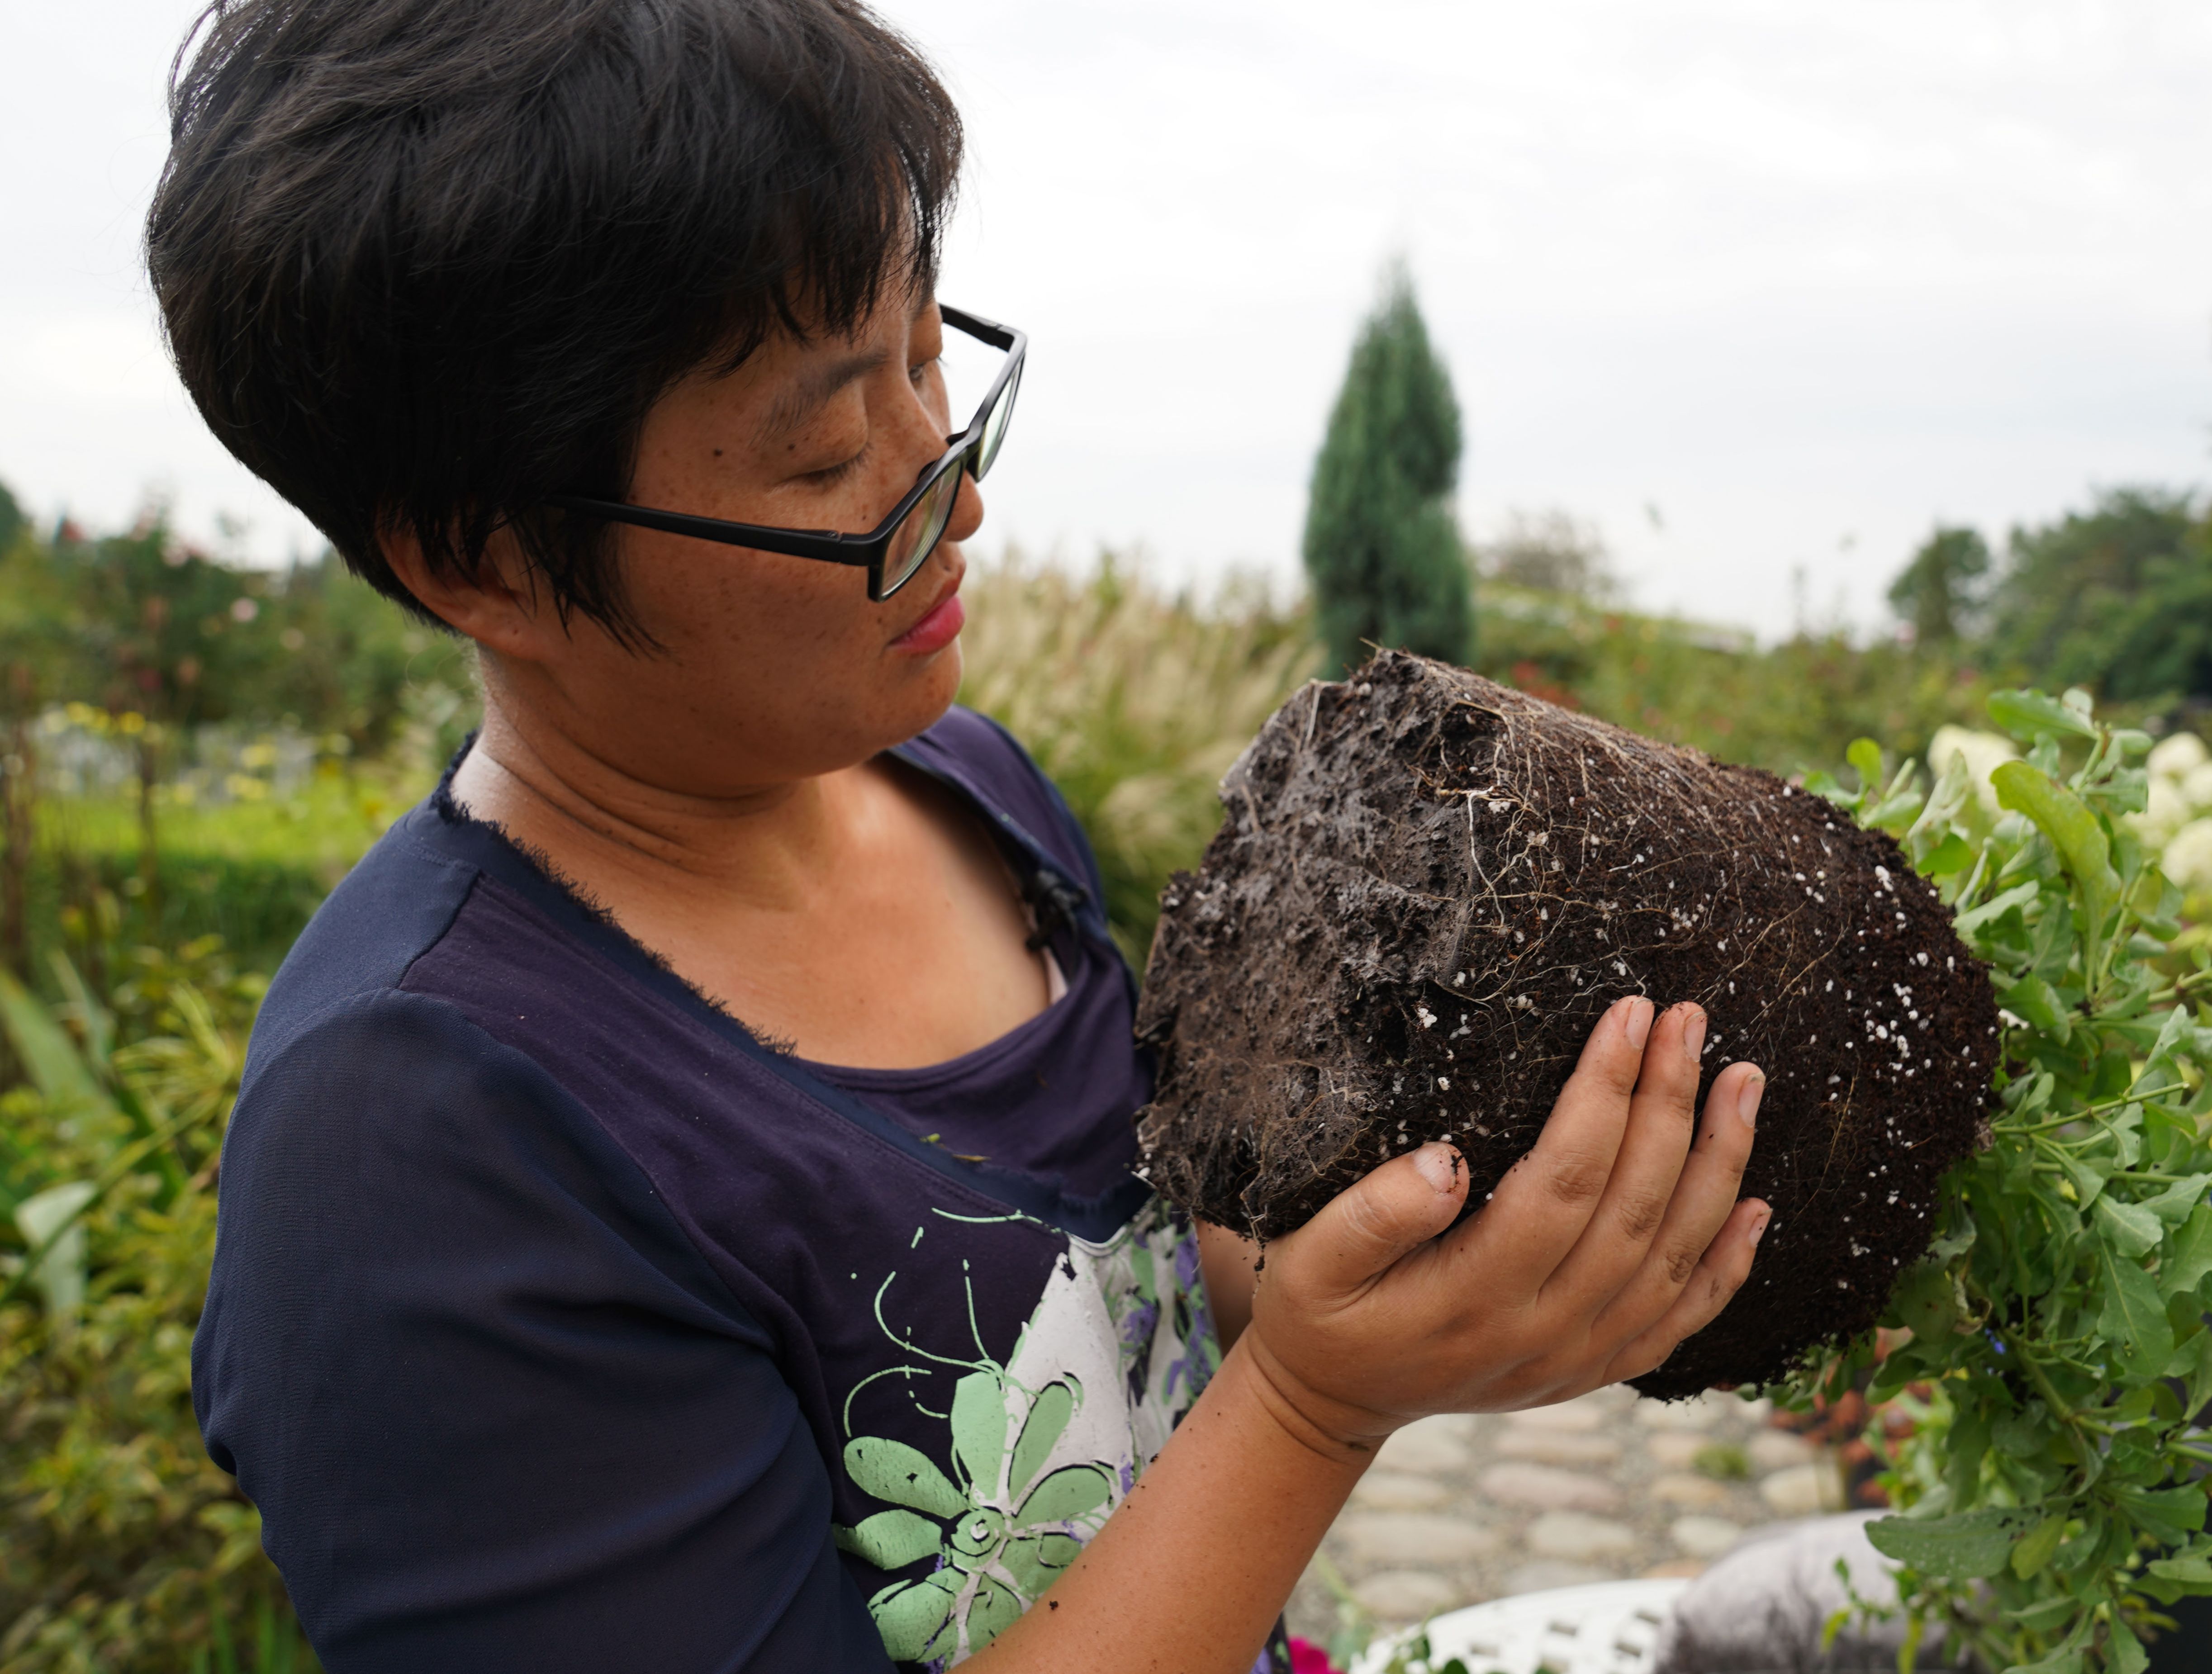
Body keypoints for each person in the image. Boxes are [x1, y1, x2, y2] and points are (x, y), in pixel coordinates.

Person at [154, 2, 1773, 1668]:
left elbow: (1117, 1267)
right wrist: (1309, 1406)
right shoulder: (418, 1158)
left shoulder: (960, 789)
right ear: (478, 562)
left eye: (931, 366)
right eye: (828, 450)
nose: (954, 491)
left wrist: (1427, 1255)